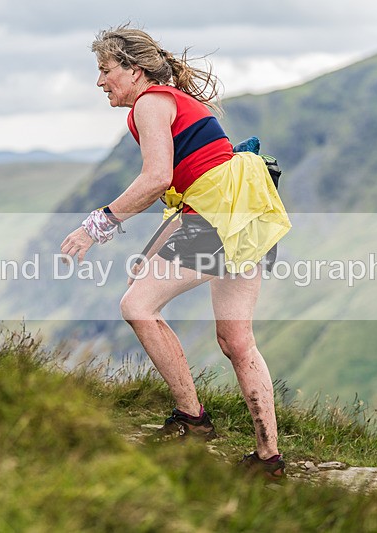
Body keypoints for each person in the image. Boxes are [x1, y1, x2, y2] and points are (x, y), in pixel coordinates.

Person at [60, 25, 291, 480]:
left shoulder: (149, 104)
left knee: (136, 305)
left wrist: (96, 224)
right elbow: (195, 184)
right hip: (249, 210)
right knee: (238, 341)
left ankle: (192, 420)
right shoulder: (175, 102)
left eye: (106, 70)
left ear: (135, 70)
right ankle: (269, 460)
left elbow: (157, 178)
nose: (100, 81)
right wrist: (155, 249)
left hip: (217, 217)